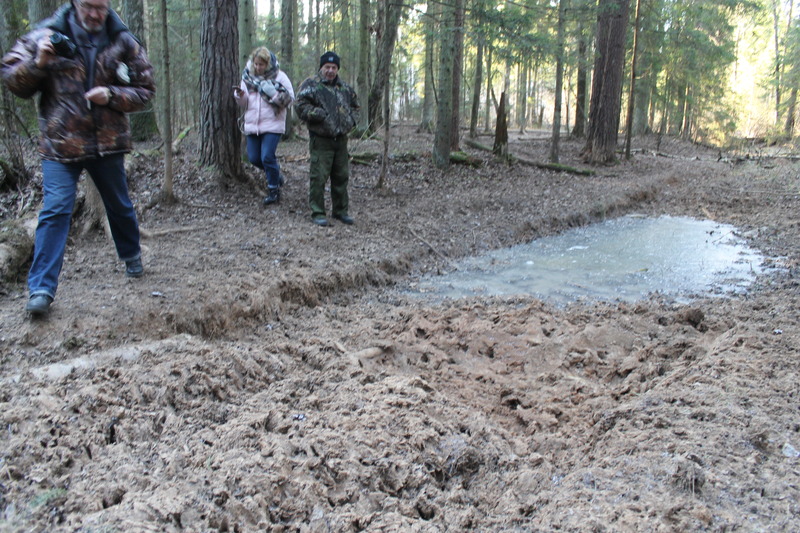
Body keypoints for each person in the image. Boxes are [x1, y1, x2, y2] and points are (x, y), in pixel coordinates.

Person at [1, 0, 156, 317]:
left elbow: (146, 89)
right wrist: (39, 63)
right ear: (75, 2)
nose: (96, 14)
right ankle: (42, 289)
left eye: (102, 7)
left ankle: (131, 256)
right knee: (56, 209)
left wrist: (111, 95)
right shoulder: (47, 33)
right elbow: (12, 77)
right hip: (61, 144)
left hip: (108, 142)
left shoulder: (123, 39)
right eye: (89, 6)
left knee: (119, 203)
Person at [295, 51, 360, 227]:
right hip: (321, 139)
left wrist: (351, 121)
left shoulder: (345, 88)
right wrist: (317, 114)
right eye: (327, 67)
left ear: (337, 68)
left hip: (341, 140)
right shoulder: (311, 85)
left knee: (341, 176)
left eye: (333, 67)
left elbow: (356, 107)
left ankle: (340, 211)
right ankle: (317, 212)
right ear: (321, 68)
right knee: (319, 176)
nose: (330, 71)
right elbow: (300, 105)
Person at [234, 47, 294, 206]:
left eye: (261, 64)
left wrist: (272, 94)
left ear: (267, 64)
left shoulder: (279, 76)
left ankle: (273, 190)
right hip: (253, 124)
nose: (258, 67)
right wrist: (240, 96)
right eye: (256, 64)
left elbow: (290, 98)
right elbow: (244, 102)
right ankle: (276, 174)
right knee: (254, 158)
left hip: (273, 123)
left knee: (267, 156)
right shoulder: (247, 77)